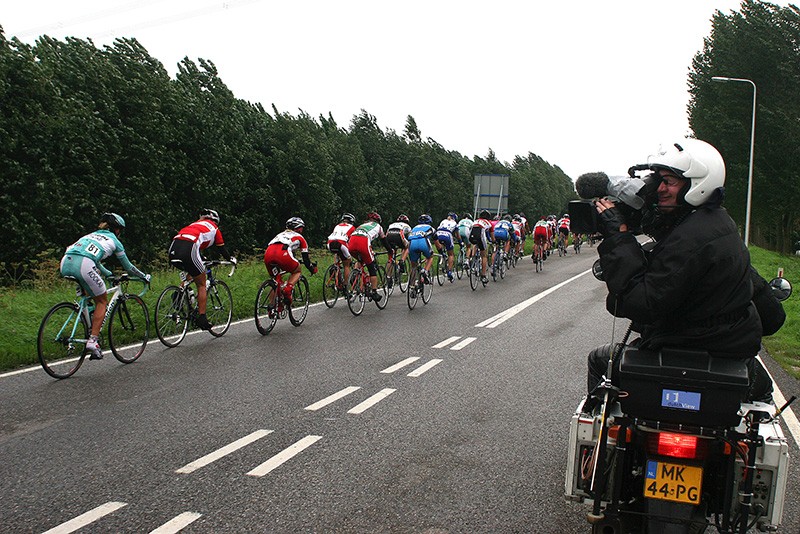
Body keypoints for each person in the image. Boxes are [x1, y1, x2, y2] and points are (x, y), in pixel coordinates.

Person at [586, 138, 775, 406]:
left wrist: (619, 236)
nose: (660, 189)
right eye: (660, 181)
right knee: (762, 391)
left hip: (685, 348)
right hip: (723, 347)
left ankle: (600, 428)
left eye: (669, 181)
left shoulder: (690, 238)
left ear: (696, 184)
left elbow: (640, 303)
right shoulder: (715, 223)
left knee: (598, 360)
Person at [60, 212, 151, 360]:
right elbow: (128, 267)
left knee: (88, 294)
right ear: (117, 229)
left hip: (66, 262)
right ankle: (93, 341)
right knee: (102, 301)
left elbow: (93, 259)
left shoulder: (90, 235)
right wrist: (143, 276)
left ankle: (86, 317)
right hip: (84, 264)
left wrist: (108, 273)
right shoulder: (114, 241)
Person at [168, 208, 236, 331]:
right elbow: (222, 249)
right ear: (215, 220)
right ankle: (202, 318)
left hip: (174, 247)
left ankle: (180, 294)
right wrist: (230, 259)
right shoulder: (214, 228)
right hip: (189, 247)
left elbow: (196, 249)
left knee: (192, 272)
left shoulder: (193, 225)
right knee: (201, 284)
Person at [347, 212, 387, 303]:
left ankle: (356, 275)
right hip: (363, 242)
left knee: (360, 260)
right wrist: (390, 251)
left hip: (352, 242)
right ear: (378, 221)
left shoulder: (362, 225)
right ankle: (374, 292)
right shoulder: (379, 227)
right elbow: (384, 241)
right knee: (371, 268)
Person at [327, 213, 357, 287]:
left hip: (330, 243)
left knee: (337, 253)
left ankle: (335, 267)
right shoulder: (352, 227)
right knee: (346, 264)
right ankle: (345, 285)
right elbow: (352, 241)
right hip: (341, 243)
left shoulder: (337, 226)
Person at [408, 214, 436, 284]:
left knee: (413, 266)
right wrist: (441, 251)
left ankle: (412, 285)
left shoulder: (414, 228)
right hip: (423, 242)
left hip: (412, 243)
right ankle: (425, 271)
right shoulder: (430, 227)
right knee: (430, 257)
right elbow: (437, 242)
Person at [385, 214, 412, 285]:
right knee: (407, 247)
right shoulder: (407, 226)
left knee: (391, 258)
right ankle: (402, 261)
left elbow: (386, 233)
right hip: (399, 234)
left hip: (389, 236)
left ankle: (388, 277)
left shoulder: (392, 224)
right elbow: (410, 238)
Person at [468, 210, 494, 284]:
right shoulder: (489, 223)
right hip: (480, 234)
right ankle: (483, 275)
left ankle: (472, 259)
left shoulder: (476, 221)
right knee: (484, 255)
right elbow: (492, 236)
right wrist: (493, 241)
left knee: (475, 244)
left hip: (471, 234)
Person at [435, 212, 460, 282]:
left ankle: (442, 257)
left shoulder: (443, 221)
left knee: (441, 248)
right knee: (451, 254)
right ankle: (449, 271)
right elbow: (457, 235)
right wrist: (460, 242)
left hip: (438, 234)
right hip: (447, 235)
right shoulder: (455, 223)